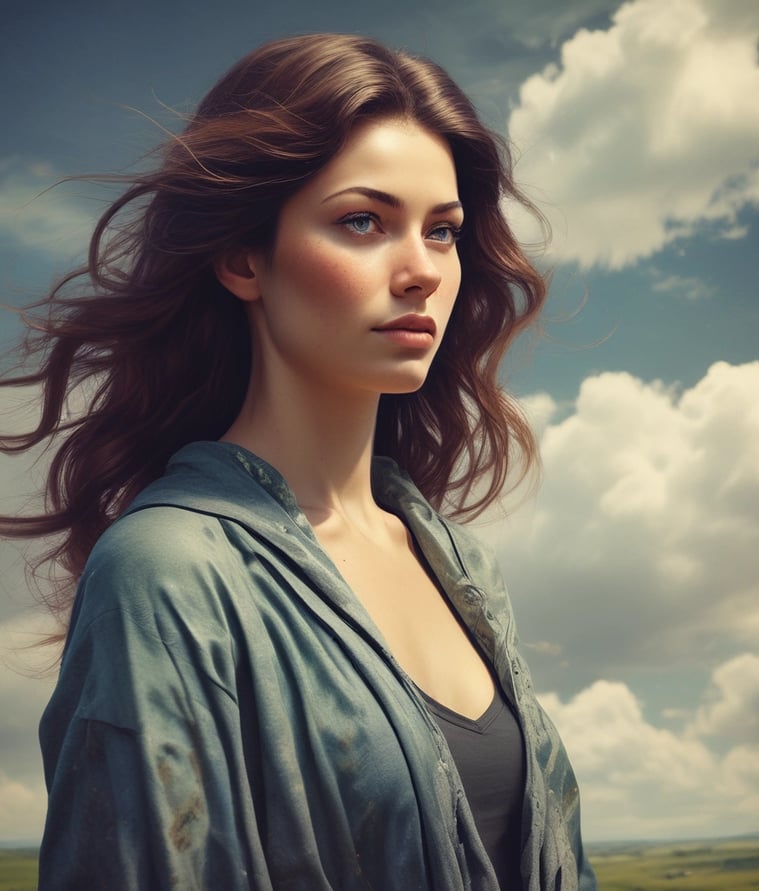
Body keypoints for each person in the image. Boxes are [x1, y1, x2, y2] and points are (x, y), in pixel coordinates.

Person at [0, 33, 597, 890]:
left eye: (443, 231)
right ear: (244, 257)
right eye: (364, 221)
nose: (421, 270)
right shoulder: (168, 573)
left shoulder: (459, 565)